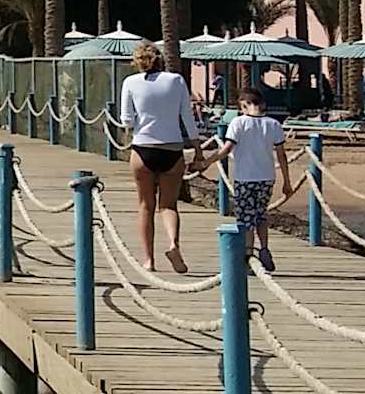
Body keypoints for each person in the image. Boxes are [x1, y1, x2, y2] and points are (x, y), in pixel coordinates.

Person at [118, 43, 202, 273]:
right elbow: (187, 117)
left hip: (143, 148)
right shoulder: (176, 80)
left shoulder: (130, 82)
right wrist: (197, 149)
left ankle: (149, 260)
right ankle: (173, 244)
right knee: (169, 205)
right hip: (172, 149)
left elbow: (127, 120)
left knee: (145, 205)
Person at [208, 91, 291, 273]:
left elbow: (227, 149)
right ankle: (264, 248)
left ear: (244, 105)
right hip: (266, 177)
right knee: (260, 214)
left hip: (245, 178)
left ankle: (248, 254)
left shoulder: (238, 123)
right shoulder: (273, 124)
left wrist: (207, 162)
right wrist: (287, 181)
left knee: (245, 219)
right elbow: (281, 155)